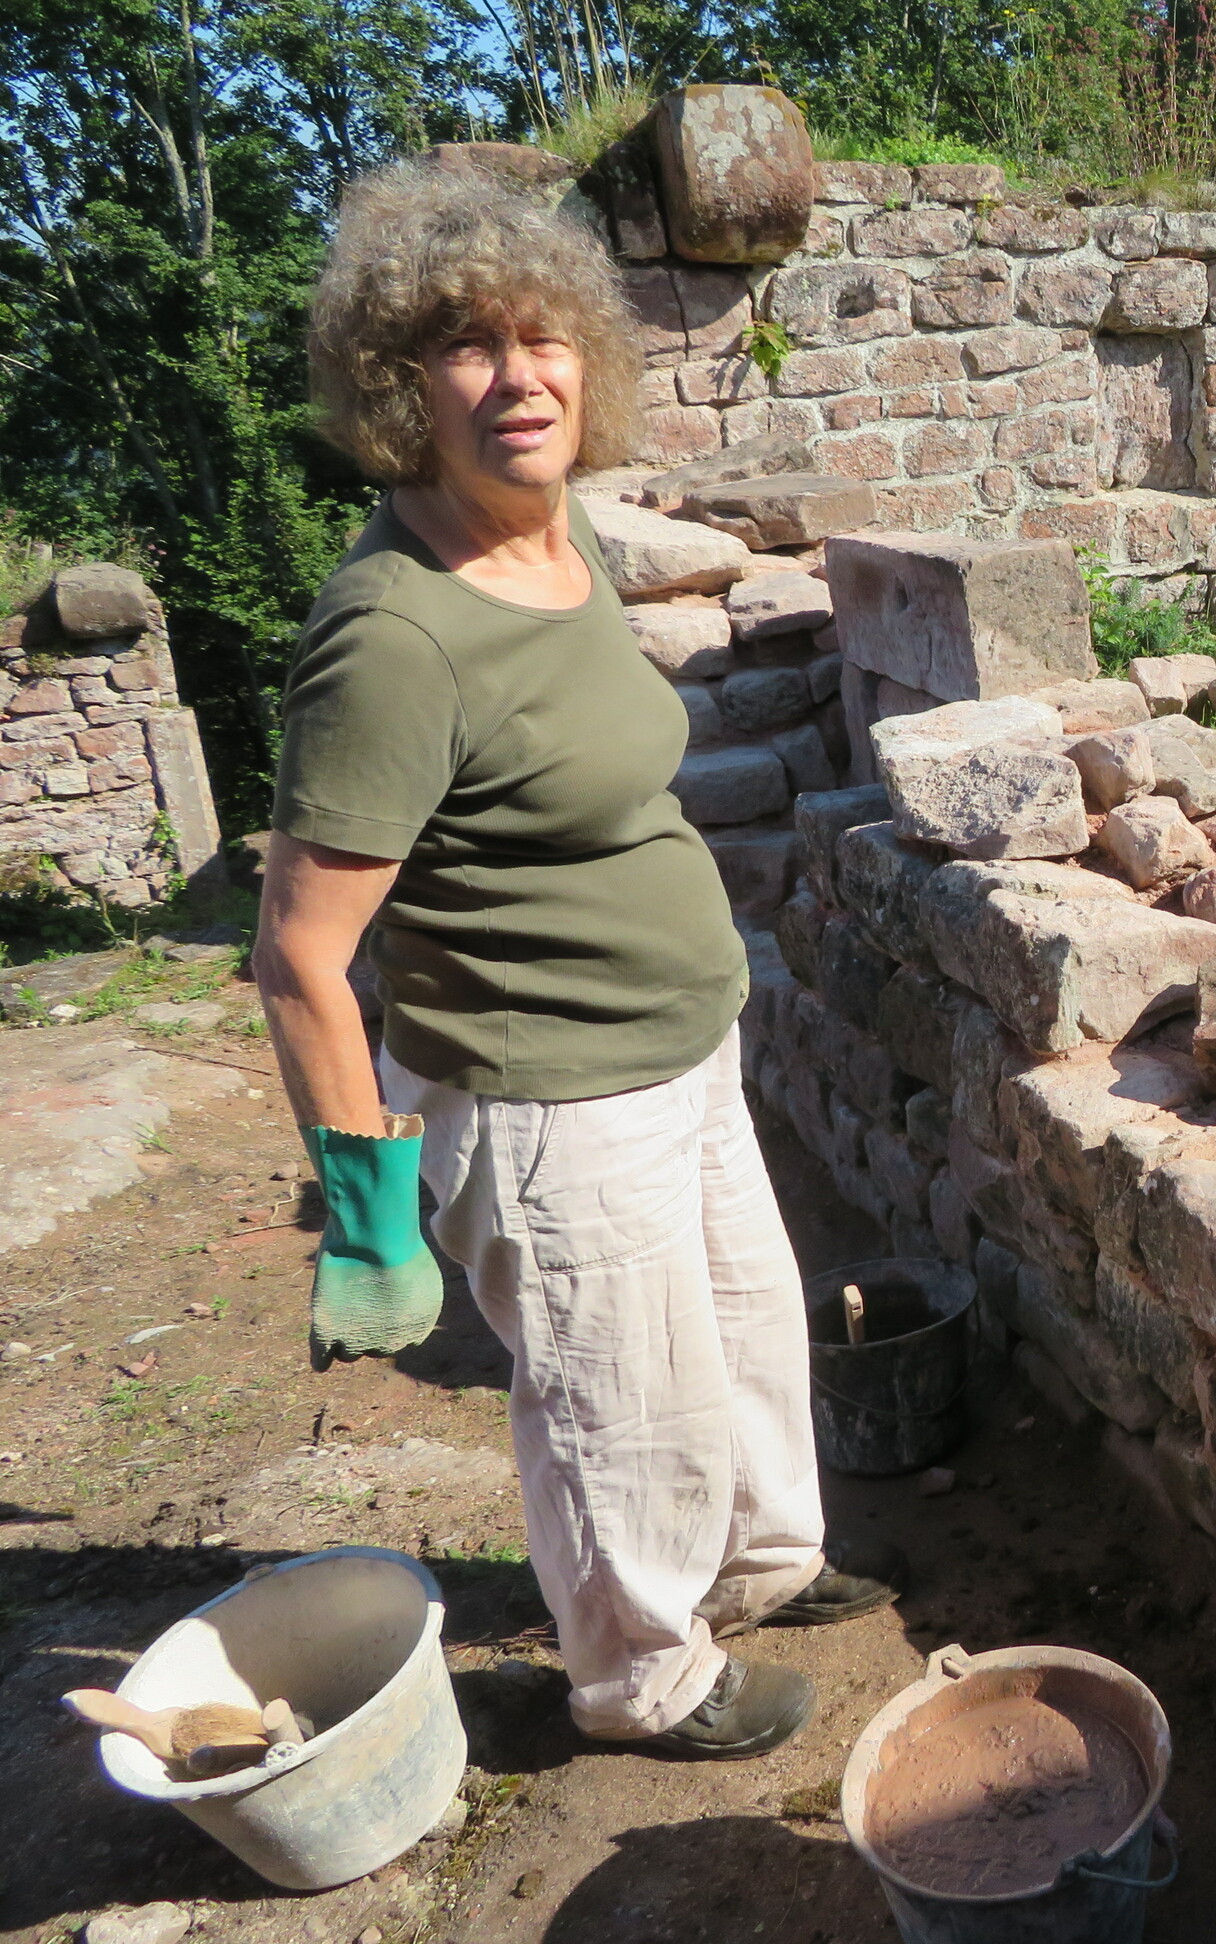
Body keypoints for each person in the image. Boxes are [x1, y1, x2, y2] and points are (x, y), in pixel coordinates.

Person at [254, 163, 895, 1760]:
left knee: (742, 1337)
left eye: (542, 337)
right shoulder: (395, 639)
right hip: (546, 1100)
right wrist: (368, 1220)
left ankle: (752, 1569)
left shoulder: (561, 536)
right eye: (466, 348)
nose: (518, 375)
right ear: (399, 386)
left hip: (681, 1045)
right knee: (624, 1408)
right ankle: (638, 1677)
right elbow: (300, 959)